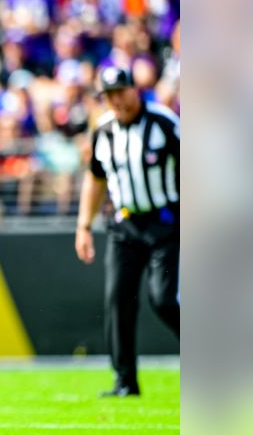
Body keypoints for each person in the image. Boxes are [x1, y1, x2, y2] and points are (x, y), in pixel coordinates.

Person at [75, 64, 180, 397]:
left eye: (120, 92)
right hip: (124, 224)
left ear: (135, 89)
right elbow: (95, 178)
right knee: (118, 299)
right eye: (108, 95)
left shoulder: (164, 123)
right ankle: (125, 380)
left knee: (163, 299)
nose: (116, 100)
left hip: (165, 221)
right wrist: (83, 225)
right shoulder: (104, 131)